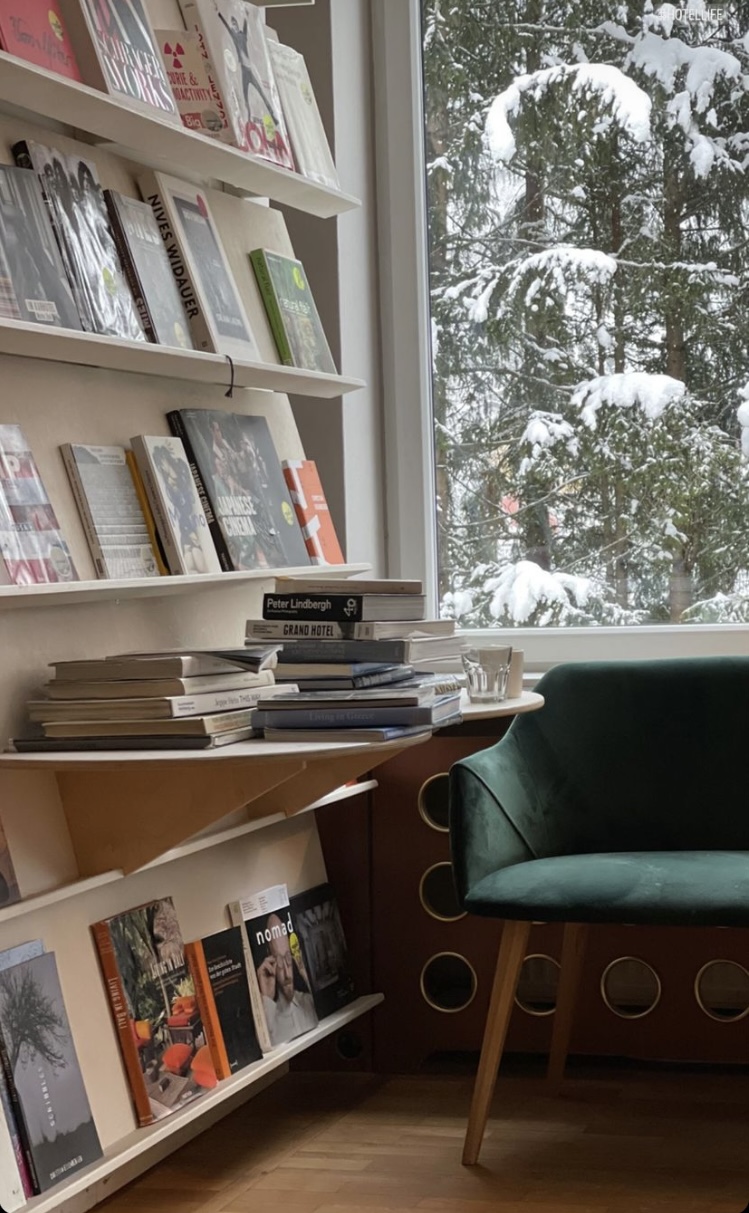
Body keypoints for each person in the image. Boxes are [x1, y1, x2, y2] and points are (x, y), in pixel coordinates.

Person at [256, 914, 317, 1047]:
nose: (287, 974)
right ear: (270, 960)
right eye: (278, 960)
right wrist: (266, 997)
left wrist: (306, 975)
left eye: (288, 957)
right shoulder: (269, 1019)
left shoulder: (309, 1002)